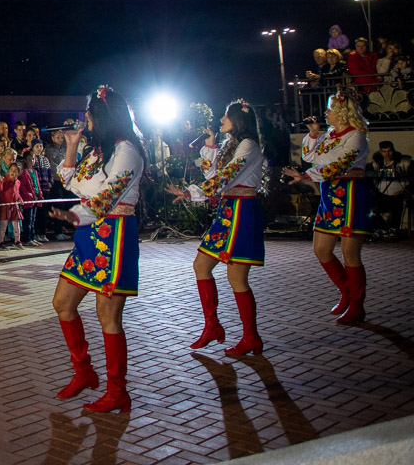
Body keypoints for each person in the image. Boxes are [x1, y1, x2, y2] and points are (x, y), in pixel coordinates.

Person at [48, 87, 146, 414]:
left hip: (115, 235)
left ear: (103, 115)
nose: (85, 118)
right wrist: (72, 146)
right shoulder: (98, 151)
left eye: (89, 113)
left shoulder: (126, 151)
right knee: (62, 303)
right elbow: (70, 181)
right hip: (88, 233)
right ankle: (84, 371)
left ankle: (118, 391)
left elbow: (107, 197)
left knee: (108, 316)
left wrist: (74, 214)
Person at [165, 100, 266, 356]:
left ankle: (251, 337)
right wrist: (210, 146)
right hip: (228, 210)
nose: (221, 120)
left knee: (237, 278)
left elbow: (225, 177)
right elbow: (213, 176)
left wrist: (190, 193)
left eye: (226, 116)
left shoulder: (248, 146)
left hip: (243, 211)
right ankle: (212, 325)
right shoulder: (230, 145)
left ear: (239, 120)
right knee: (201, 265)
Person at [283, 92, 372, 324]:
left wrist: (306, 176)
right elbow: (311, 156)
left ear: (342, 113)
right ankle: (346, 292)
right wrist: (314, 134)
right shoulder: (329, 135)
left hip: (350, 196)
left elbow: (339, 165)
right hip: (330, 195)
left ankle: (357, 305)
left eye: (330, 109)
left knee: (350, 253)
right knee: (321, 250)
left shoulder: (356, 137)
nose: (326, 113)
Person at [368, 141, 411, 233]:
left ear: (393, 150)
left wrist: (406, 191)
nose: (387, 154)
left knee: (397, 204)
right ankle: (378, 229)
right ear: (380, 152)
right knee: (369, 204)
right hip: (380, 194)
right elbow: (369, 179)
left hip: (400, 194)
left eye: (389, 151)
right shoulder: (376, 164)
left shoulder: (404, 163)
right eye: (384, 151)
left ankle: (393, 229)